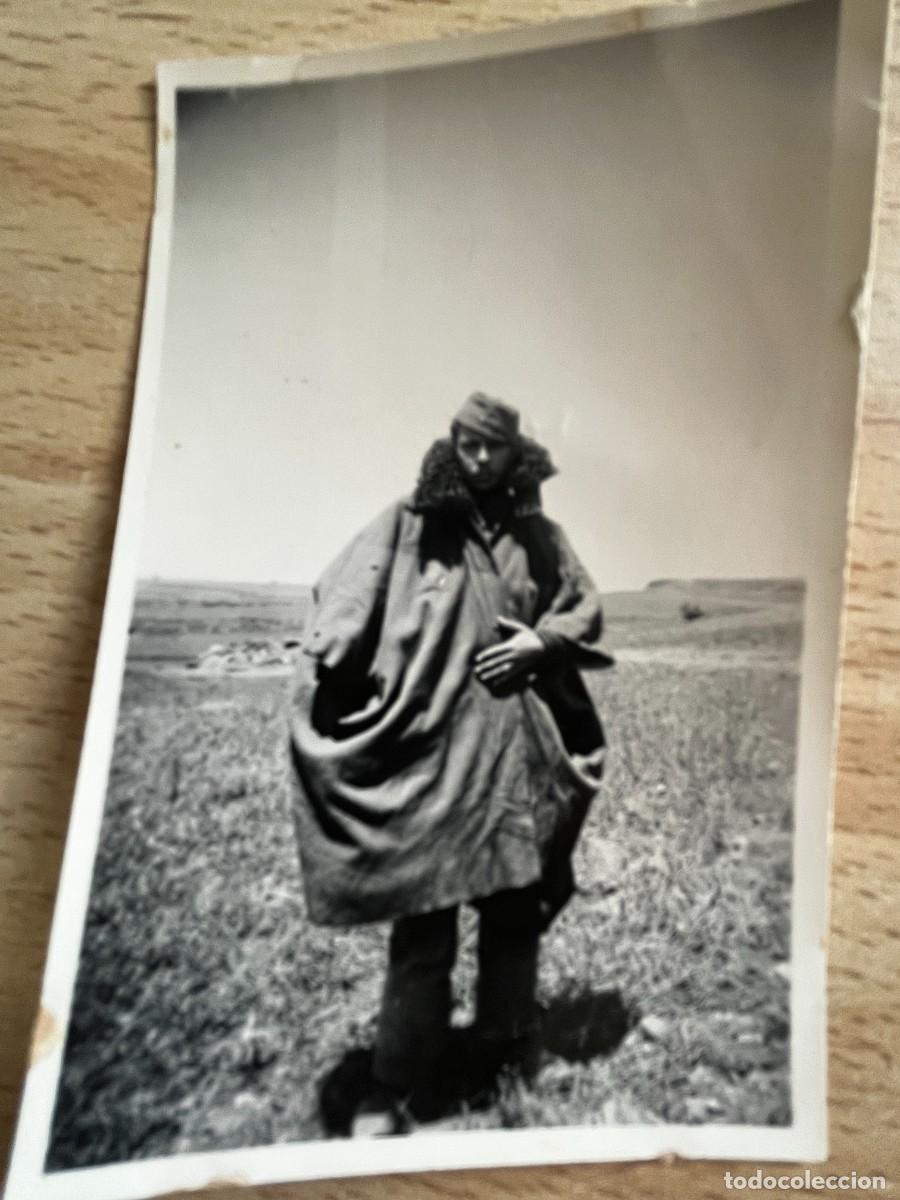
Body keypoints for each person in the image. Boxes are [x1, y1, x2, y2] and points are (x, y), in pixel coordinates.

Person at [288, 391, 612, 1134]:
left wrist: (543, 642)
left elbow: (582, 608)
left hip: (510, 764)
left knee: (513, 915)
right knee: (424, 926)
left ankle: (503, 1053)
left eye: (493, 447)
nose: (478, 458)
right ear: (452, 442)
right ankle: (396, 1084)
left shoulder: (542, 537)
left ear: (516, 454)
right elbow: (341, 602)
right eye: (467, 443)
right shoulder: (406, 524)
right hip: (431, 759)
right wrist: (332, 667)